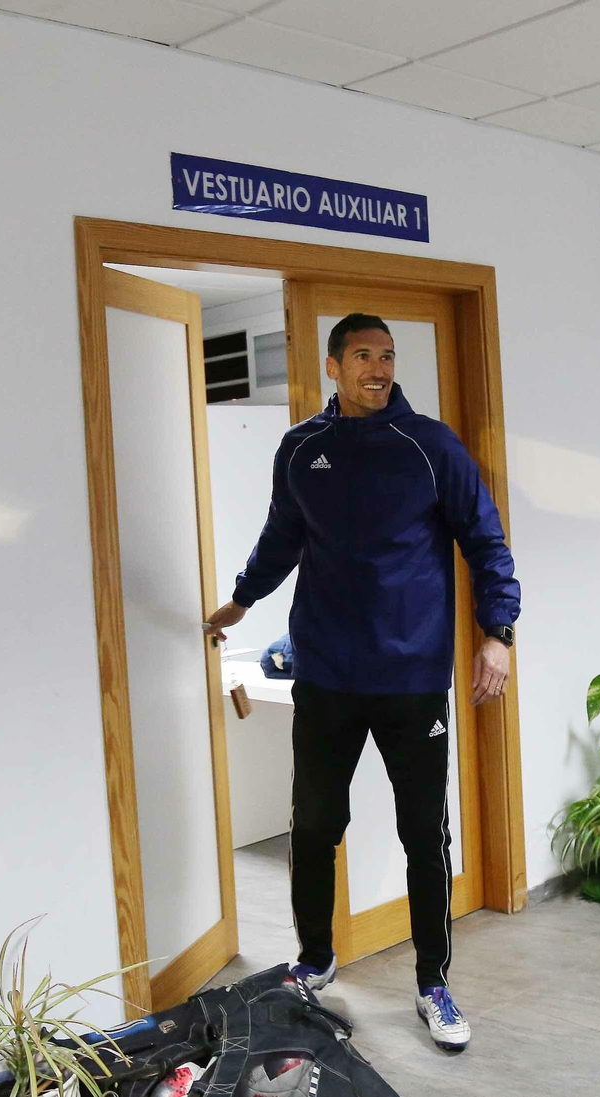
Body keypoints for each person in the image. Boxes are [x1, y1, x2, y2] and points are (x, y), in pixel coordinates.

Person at [205, 313, 519, 1053]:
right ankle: (314, 961)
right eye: (363, 356)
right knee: (313, 825)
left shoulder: (429, 445)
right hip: (326, 671)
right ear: (334, 366)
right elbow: (283, 535)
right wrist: (242, 598)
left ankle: (433, 981)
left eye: (387, 356)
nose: (379, 368)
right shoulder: (301, 448)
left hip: (410, 676)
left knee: (424, 834)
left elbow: (485, 537)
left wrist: (496, 632)